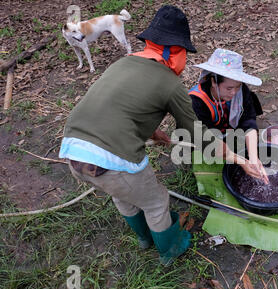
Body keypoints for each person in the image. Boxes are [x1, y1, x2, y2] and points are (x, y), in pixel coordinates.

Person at [58, 5, 267, 265]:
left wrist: (156, 133)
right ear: (174, 52)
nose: (184, 62)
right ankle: (170, 250)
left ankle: (145, 238)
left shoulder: (123, 64)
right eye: (185, 55)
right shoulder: (169, 83)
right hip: (113, 155)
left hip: (73, 151)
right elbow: (201, 137)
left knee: (121, 193)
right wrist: (241, 160)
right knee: (157, 202)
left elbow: (126, 107)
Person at [189, 48, 267, 170]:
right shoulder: (197, 101)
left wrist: (253, 158)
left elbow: (248, 120)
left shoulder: (240, 91)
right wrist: (240, 160)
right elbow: (205, 138)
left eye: (237, 87)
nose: (234, 93)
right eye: (229, 88)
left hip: (225, 132)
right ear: (213, 81)